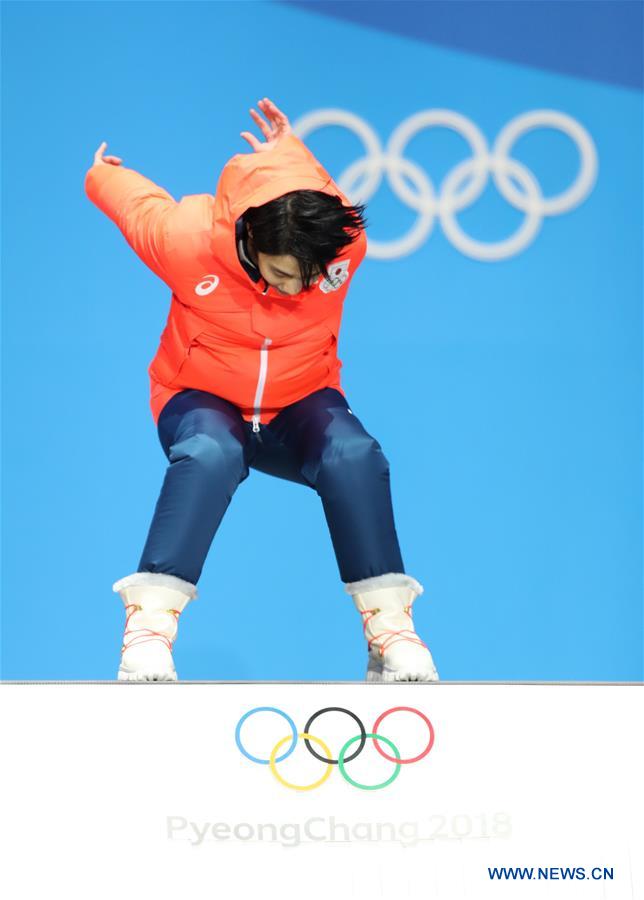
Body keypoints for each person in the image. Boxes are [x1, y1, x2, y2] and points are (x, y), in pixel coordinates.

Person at [85, 96, 439, 684]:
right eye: (279, 274)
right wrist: (104, 172)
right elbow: (135, 207)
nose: (294, 289)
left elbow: (321, 198)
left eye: (307, 277)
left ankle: (390, 630)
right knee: (209, 453)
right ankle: (149, 628)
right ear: (248, 237)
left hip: (301, 400)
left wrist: (293, 155)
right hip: (200, 398)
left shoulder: (343, 250)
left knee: (355, 454)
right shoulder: (186, 240)